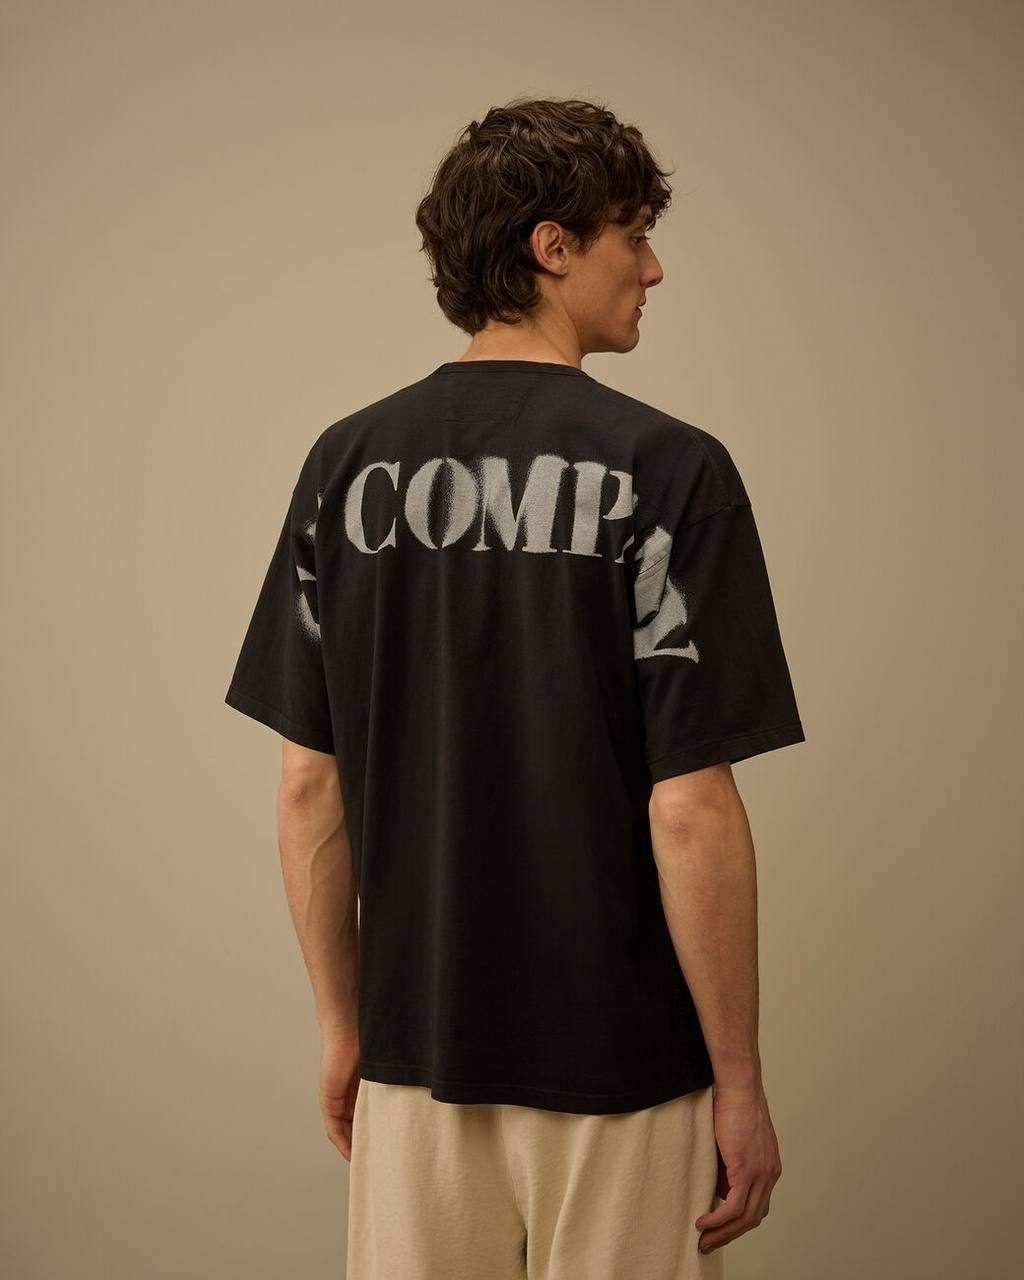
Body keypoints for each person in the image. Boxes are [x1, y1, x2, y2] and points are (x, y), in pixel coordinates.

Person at [224, 96, 806, 1279]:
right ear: (553, 247)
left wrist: (343, 1026)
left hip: (416, 1054)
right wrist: (738, 1078)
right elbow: (689, 803)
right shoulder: (668, 468)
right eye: (632, 235)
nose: (651, 267)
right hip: (625, 1068)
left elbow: (307, 785)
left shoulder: (344, 466)